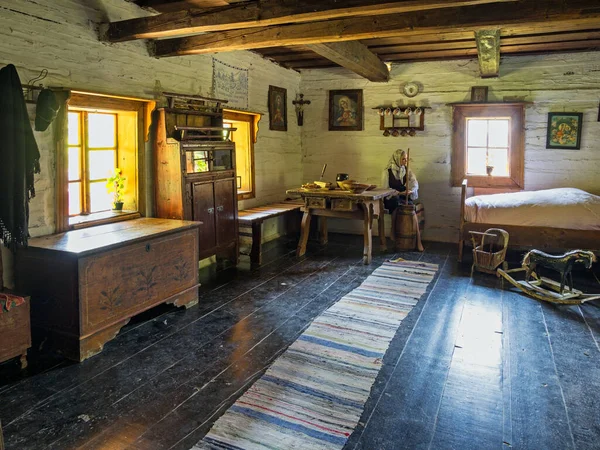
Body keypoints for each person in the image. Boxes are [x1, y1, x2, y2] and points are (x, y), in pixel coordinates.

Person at [382, 149, 424, 252]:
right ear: (397, 159)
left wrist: (411, 190)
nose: (406, 161)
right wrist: (399, 193)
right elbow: (385, 190)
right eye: (403, 159)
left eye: (406, 159)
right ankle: (393, 230)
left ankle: (418, 240)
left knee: (411, 209)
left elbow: (415, 182)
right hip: (391, 197)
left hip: (403, 196)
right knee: (396, 202)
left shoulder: (406, 169)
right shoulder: (387, 171)